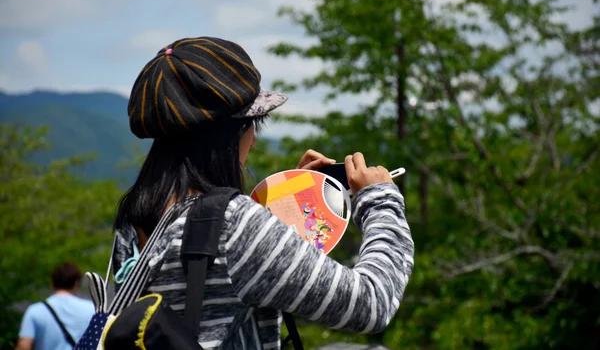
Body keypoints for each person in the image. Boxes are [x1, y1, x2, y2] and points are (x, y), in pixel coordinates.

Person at [112, 37, 414, 349]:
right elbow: (371, 304)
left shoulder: (135, 218)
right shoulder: (233, 225)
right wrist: (380, 200)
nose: (253, 140)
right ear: (226, 136)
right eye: (252, 124)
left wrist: (286, 203)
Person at [15, 262, 95, 350]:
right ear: (76, 283)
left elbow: (24, 346)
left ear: (52, 282)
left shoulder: (35, 310)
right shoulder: (92, 309)